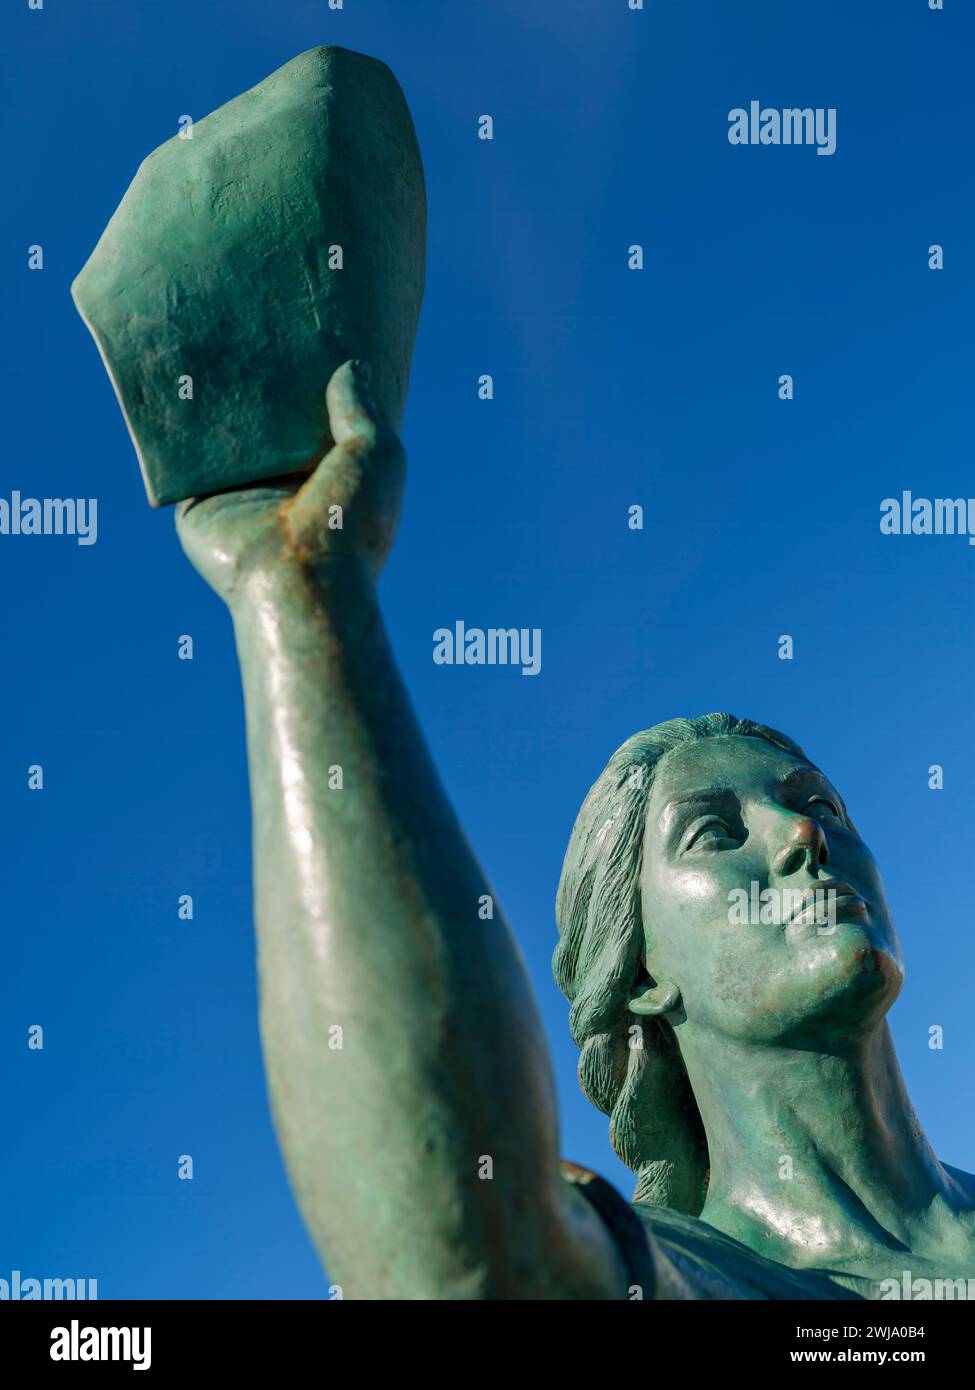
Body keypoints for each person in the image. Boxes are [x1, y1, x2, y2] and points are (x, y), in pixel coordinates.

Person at [176, 361, 975, 1300]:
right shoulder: (679, 1278)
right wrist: (300, 589)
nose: (803, 835)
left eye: (822, 803)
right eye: (714, 835)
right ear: (640, 977)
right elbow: (463, 1250)